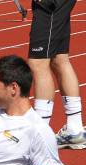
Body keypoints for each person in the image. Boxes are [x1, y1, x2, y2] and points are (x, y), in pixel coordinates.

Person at [28, 0, 86, 149]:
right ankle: (75, 129)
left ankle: (40, 135)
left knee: (38, 63)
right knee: (59, 59)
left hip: (50, 4)